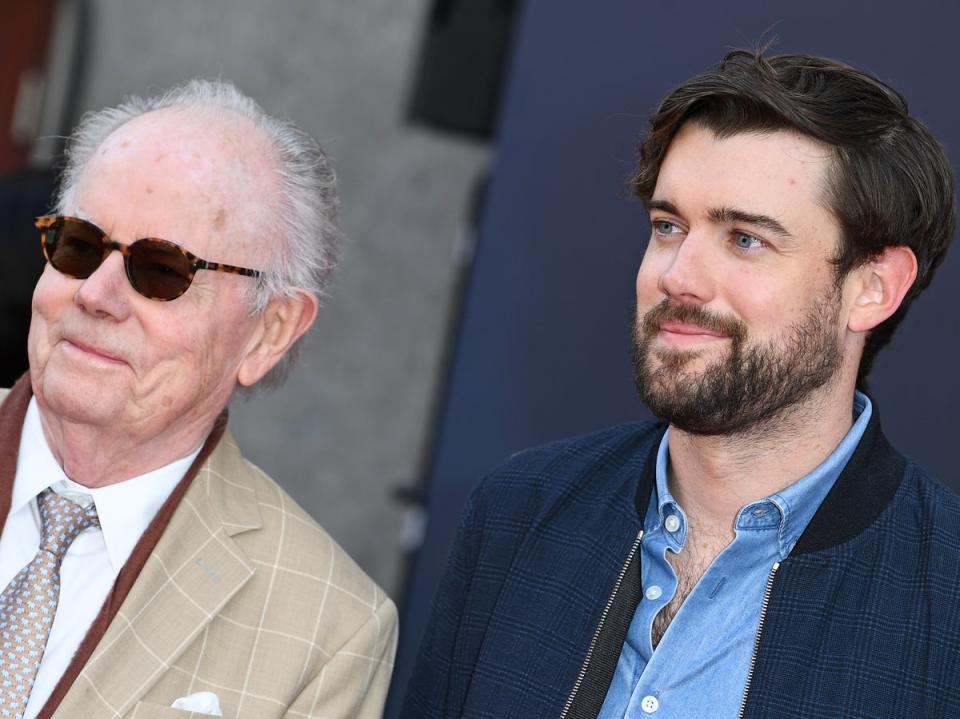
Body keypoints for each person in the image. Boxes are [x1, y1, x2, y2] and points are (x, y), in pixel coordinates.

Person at [401, 49, 960, 718]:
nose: (678, 276)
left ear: (872, 288)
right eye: (669, 227)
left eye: (745, 239)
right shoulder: (522, 515)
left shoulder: (944, 598)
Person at [0, 80, 396, 719]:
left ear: (269, 332)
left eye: (161, 269)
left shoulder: (327, 629)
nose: (96, 295)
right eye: (79, 243)